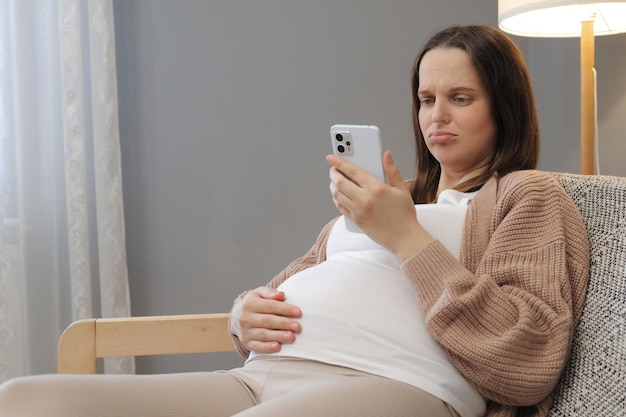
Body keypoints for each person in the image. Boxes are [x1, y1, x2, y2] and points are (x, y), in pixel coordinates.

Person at [0, 24, 589, 417]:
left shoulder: (526, 196)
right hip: (264, 377)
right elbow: (291, 283)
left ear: (503, 106)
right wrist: (244, 315)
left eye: (460, 98)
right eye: (425, 98)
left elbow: (526, 362)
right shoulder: (392, 195)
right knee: (24, 401)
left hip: (394, 384)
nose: (436, 115)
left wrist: (406, 236)